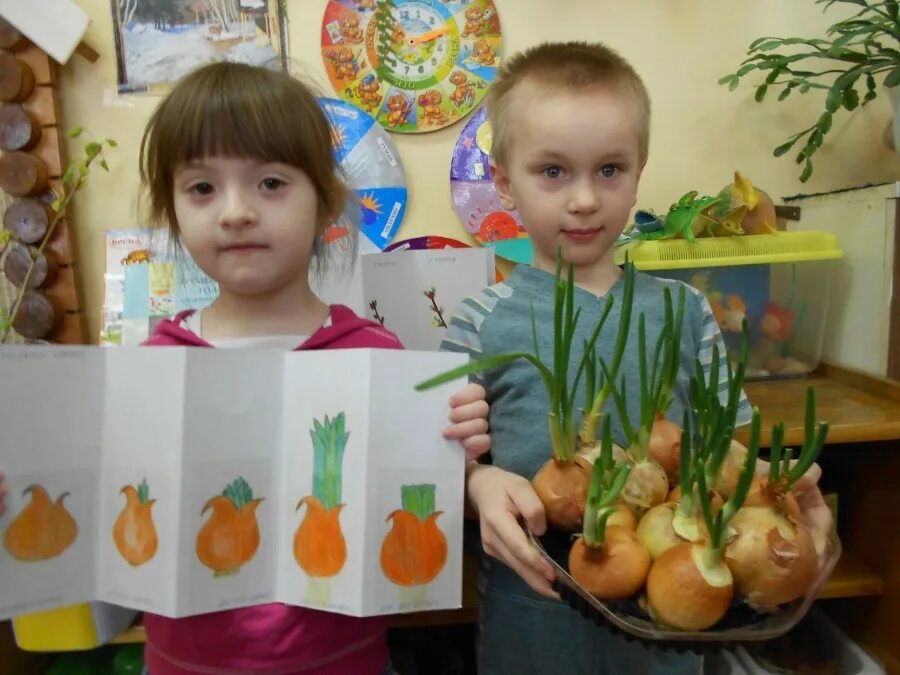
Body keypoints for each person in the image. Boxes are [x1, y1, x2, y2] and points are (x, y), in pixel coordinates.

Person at [0, 61, 490, 675]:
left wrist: (456, 464)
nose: (235, 212)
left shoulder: (375, 358)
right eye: (202, 188)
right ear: (172, 209)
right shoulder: (152, 369)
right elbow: (107, 545)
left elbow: (416, 526)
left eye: (271, 183)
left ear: (325, 204)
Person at [439, 41, 831, 674]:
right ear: (505, 182)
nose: (586, 199)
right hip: (535, 621)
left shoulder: (686, 310)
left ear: (640, 169)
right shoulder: (478, 321)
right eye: (553, 172)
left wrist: (779, 488)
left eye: (610, 170)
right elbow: (442, 466)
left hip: (669, 624)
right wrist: (476, 482)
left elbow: (724, 453)